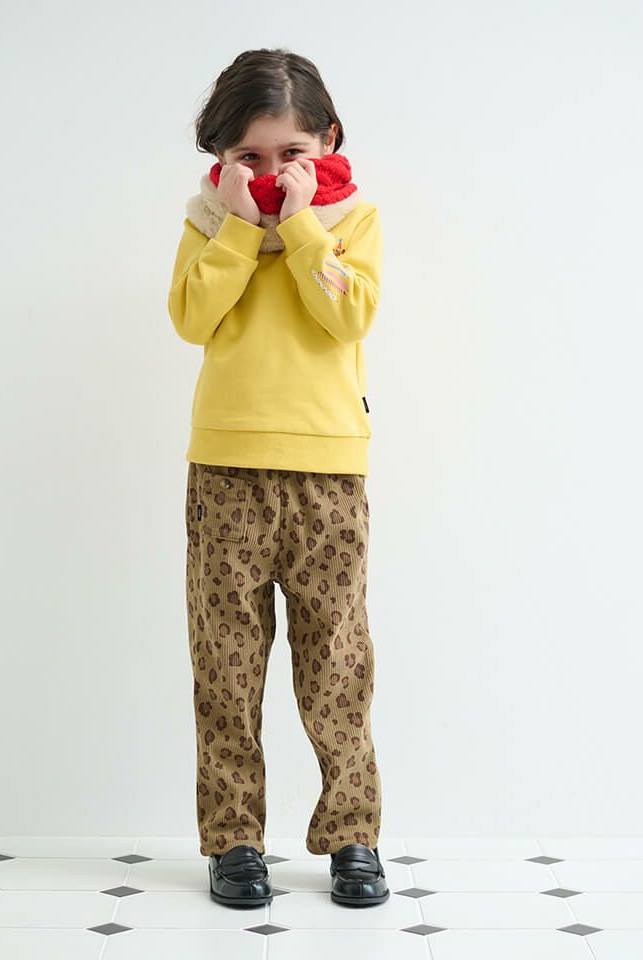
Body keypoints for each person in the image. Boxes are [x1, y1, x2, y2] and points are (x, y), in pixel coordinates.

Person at [168, 47, 389, 909]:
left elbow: (349, 312)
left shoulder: (352, 221)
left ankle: (353, 836)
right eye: (249, 156)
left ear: (327, 140)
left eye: (291, 152)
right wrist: (235, 229)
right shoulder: (206, 222)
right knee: (226, 666)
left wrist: (299, 227)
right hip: (225, 472)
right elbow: (192, 317)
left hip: (327, 471)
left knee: (337, 663)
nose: (271, 171)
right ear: (222, 157)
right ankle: (233, 842)